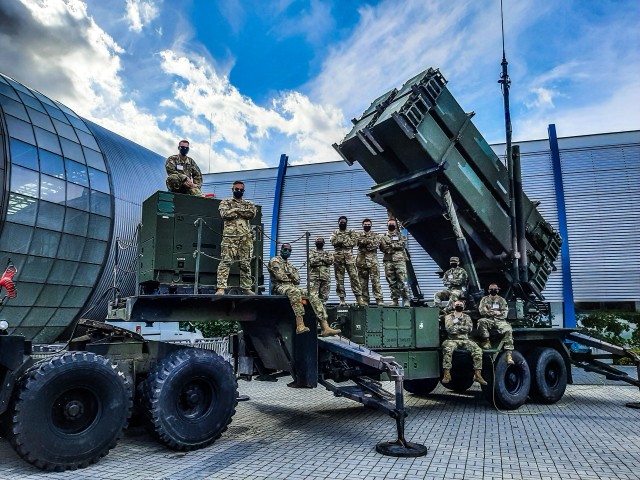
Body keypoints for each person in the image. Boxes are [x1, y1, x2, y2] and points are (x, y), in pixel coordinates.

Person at [267, 243, 341, 336]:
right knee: (295, 292)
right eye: (285, 249)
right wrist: (291, 276)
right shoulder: (275, 260)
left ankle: (325, 327)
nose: (287, 252)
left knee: (312, 294)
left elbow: (297, 280)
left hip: (291, 286)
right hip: (279, 286)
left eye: (289, 250)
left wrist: (289, 275)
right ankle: (300, 324)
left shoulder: (290, 265)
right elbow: (280, 277)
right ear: (281, 250)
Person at [215, 181, 257, 295]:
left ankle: (246, 288)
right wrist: (241, 211)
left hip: (245, 238)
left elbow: (252, 214)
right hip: (230, 238)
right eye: (236, 189)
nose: (239, 191)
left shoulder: (249, 203)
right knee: (226, 262)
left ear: (243, 191)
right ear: (232, 189)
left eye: (241, 190)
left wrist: (234, 210)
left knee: (245, 264)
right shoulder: (225, 202)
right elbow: (225, 214)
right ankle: (221, 288)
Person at [441, 300, 487, 385]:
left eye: (460, 305)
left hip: (465, 340)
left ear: (463, 306)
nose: (459, 306)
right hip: (452, 340)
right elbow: (450, 329)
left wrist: (457, 327)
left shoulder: (467, 317)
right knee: (447, 350)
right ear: (453, 306)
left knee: (478, 350)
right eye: (457, 305)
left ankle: (477, 375)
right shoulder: (449, 316)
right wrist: (462, 328)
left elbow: (469, 329)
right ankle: (447, 374)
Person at [329, 216, 364, 306]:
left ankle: (359, 298)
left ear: (346, 222)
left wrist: (340, 241)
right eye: (341, 222)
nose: (342, 223)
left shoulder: (351, 231)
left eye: (344, 222)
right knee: (339, 280)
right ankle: (342, 299)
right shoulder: (335, 232)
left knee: (354, 278)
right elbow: (333, 241)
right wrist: (346, 241)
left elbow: (354, 242)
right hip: (338, 258)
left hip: (349, 258)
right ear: (338, 223)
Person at [477, 283, 514, 364]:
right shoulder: (484, 299)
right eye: (491, 289)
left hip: (500, 321)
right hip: (489, 320)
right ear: (488, 290)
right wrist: (495, 312)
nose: (493, 290)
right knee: (481, 321)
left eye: (495, 289)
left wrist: (489, 311)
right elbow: (482, 311)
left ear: (498, 290)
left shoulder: (502, 300)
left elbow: (504, 314)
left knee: (508, 330)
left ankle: (509, 354)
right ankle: (487, 341)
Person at [379, 218, 410, 307]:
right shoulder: (383, 236)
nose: (391, 225)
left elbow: (402, 245)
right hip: (388, 261)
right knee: (391, 281)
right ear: (387, 225)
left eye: (393, 224)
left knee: (402, 280)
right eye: (390, 224)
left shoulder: (400, 235)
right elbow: (383, 248)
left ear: (395, 225)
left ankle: (405, 299)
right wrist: (395, 246)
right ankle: (395, 300)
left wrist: (391, 245)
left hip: (399, 260)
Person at [356, 219, 383, 305]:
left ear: (371, 225)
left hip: (373, 263)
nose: (367, 226)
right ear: (362, 225)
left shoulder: (376, 235)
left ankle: (379, 300)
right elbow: (357, 242)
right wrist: (369, 242)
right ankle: (365, 300)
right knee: (362, 283)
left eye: (368, 224)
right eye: (365, 224)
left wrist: (364, 244)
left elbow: (376, 245)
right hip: (361, 262)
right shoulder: (358, 235)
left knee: (375, 281)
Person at [309, 237, 333, 304]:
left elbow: (330, 261)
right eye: (318, 241)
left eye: (321, 242)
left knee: (324, 298)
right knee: (312, 296)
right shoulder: (311, 251)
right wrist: (324, 259)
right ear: (315, 243)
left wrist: (318, 259)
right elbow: (312, 262)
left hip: (325, 278)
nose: (319, 243)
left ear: (324, 243)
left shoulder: (327, 252)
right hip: (313, 278)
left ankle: (323, 313)